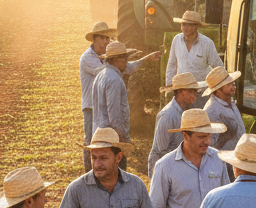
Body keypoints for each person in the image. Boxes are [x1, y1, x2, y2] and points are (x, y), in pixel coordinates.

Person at [81, 21, 158, 172]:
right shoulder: (94, 64)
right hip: (95, 113)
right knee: (92, 146)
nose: (106, 41)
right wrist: (124, 140)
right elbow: (114, 114)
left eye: (107, 38)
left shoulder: (104, 73)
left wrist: (145, 58)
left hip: (99, 116)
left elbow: (126, 67)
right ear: (94, 39)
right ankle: (89, 172)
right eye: (123, 58)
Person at [148, 72, 206, 177]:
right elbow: (161, 151)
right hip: (164, 170)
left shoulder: (186, 112)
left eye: (195, 92)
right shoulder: (168, 115)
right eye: (190, 91)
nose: (194, 95)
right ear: (179, 92)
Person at [92, 40, 133, 159]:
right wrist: (124, 141)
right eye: (123, 59)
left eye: (126, 58)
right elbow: (115, 117)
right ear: (113, 60)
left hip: (99, 136)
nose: (126, 62)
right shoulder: (114, 80)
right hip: (112, 141)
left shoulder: (101, 75)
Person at [165, 10, 222, 84]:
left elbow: (218, 67)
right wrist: (169, 85)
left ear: (197, 26)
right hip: (182, 89)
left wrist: (220, 87)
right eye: (183, 24)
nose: (185, 28)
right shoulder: (177, 40)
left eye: (189, 25)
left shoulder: (207, 43)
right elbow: (172, 65)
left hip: (201, 90)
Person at [203, 66, 245, 154]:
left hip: (237, 157)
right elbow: (209, 144)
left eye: (233, 83)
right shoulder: (212, 110)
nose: (233, 87)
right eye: (229, 84)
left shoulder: (231, 102)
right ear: (218, 90)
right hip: (223, 161)